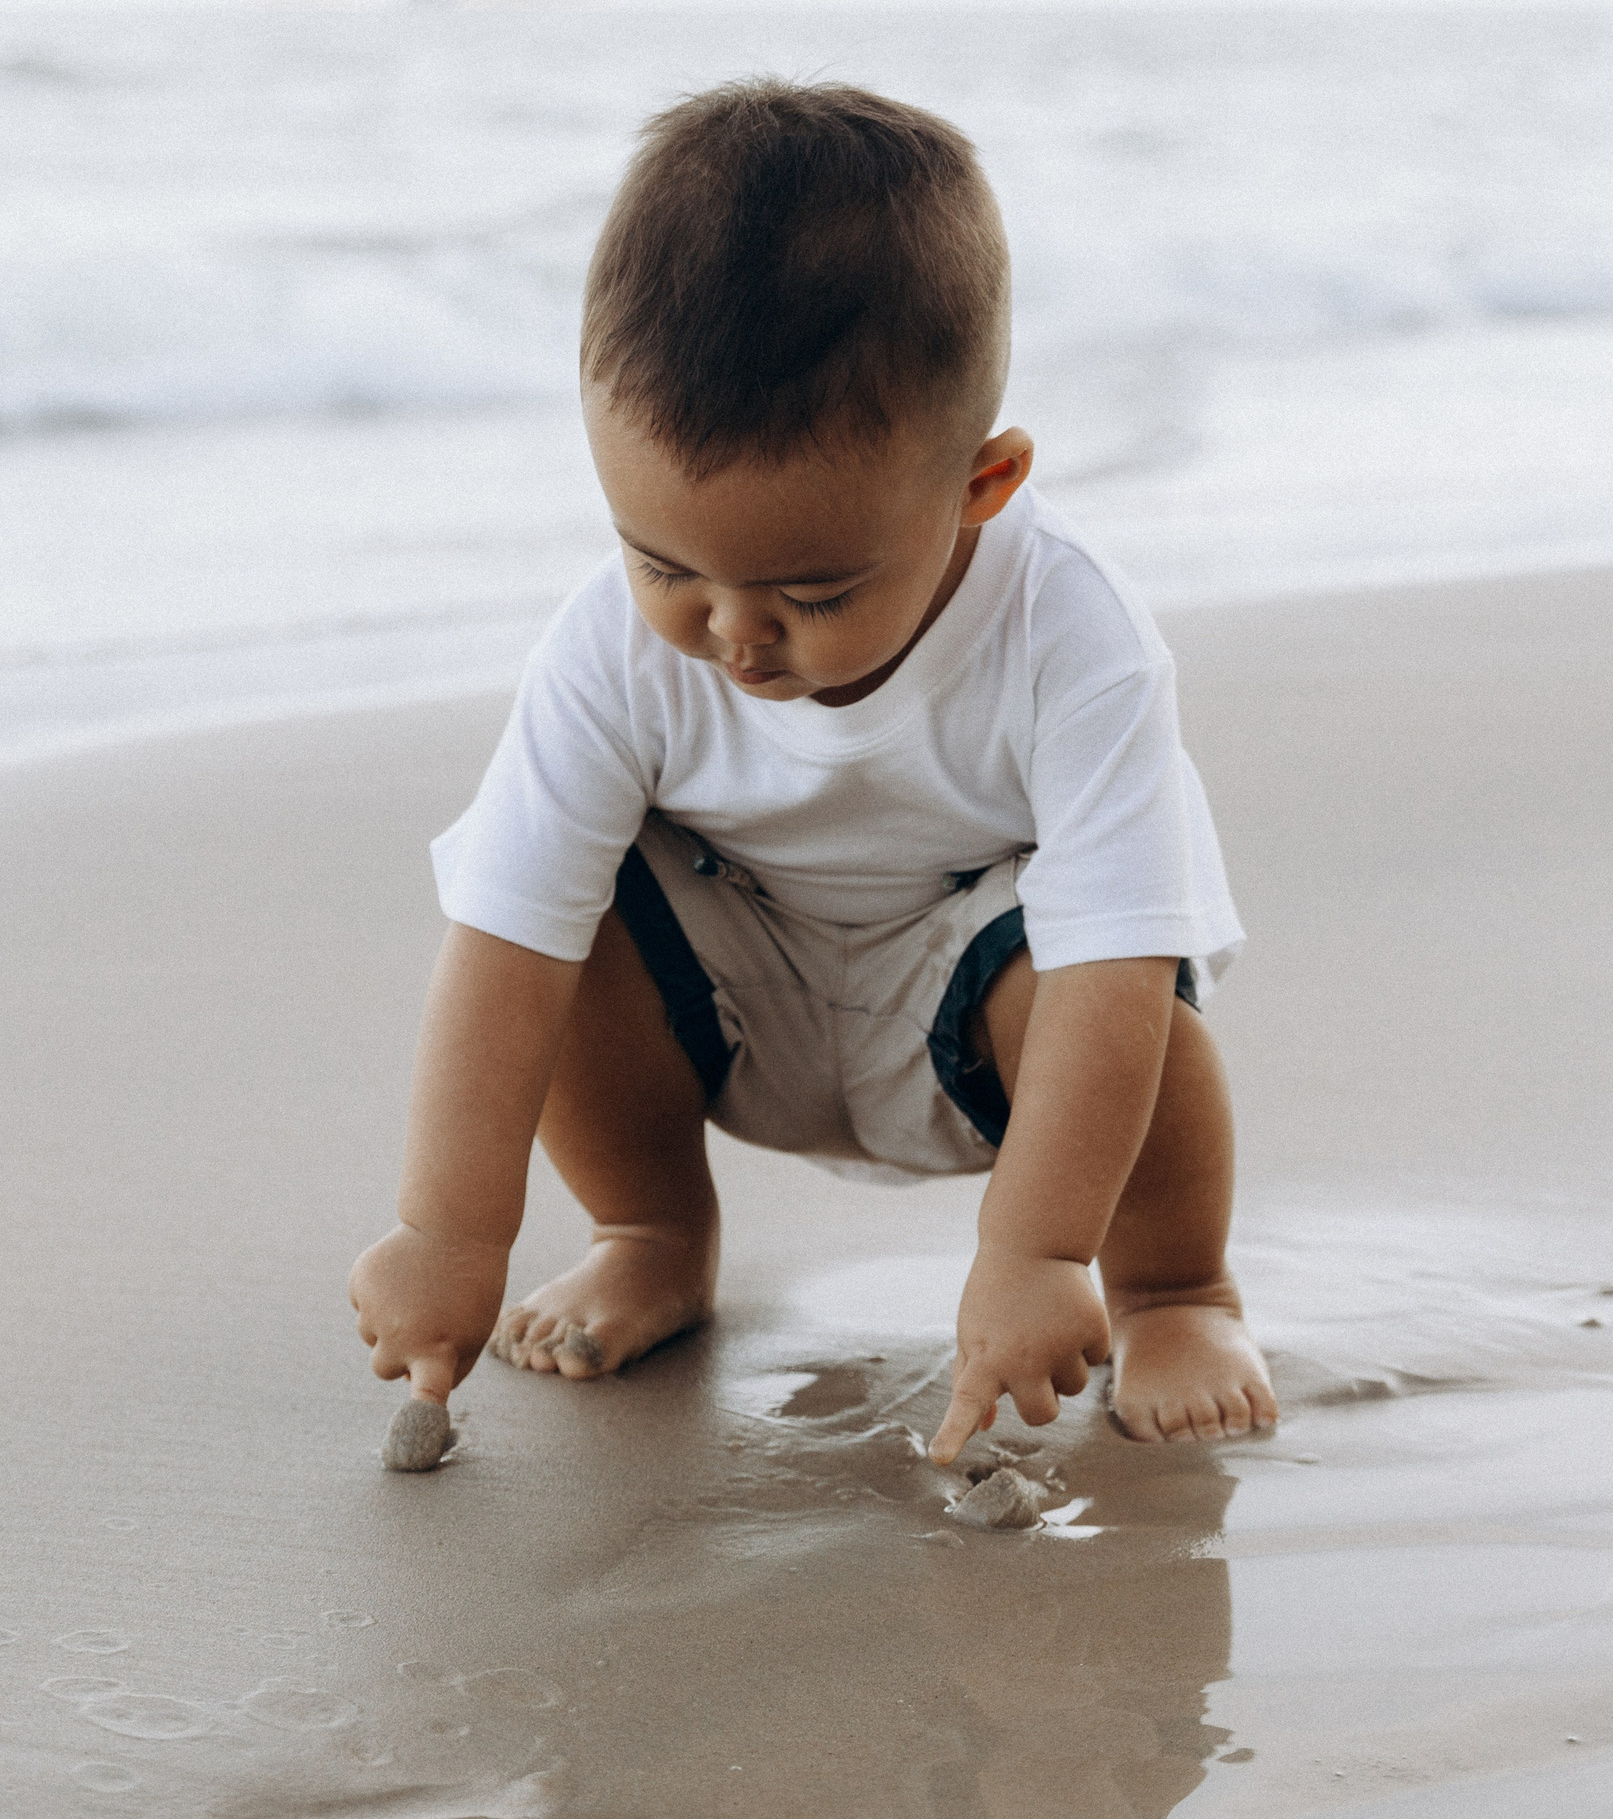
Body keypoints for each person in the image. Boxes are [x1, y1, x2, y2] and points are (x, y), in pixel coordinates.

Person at [348, 79, 1275, 1465]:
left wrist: (1037, 1249)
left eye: (813, 589)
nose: (731, 633)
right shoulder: (606, 647)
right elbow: (506, 937)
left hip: (994, 1022)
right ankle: (652, 1233)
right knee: (570, 909)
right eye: (663, 563)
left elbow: (1114, 968)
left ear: (983, 483)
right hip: (739, 998)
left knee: (1135, 988)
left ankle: (1176, 1289)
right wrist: (447, 1227)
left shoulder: (1074, 638)